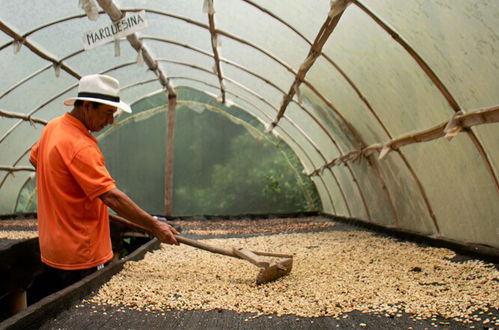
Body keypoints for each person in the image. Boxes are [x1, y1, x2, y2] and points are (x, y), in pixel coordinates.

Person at [29, 74, 178, 290]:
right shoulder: (81, 147)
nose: (111, 121)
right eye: (108, 113)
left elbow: (35, 159)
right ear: (87, 106)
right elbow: (112, 197)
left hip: (52, 248)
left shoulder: (53, 127)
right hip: (81, 253)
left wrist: (63, 193)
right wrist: (155, 226)